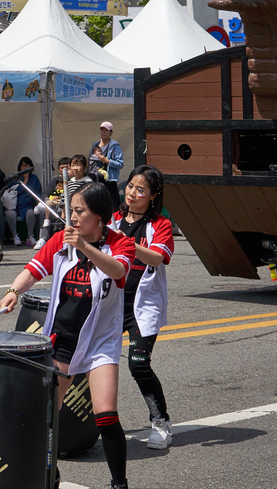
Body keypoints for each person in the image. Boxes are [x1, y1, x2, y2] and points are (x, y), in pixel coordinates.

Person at [0, 181, 136, 489]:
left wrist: (85, 247)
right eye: (70, 210)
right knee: (46, 413)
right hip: (62, 338)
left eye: (79, 211)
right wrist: (12, 292)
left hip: (100, 342)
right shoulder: (61, 240)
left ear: (100, 216)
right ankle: (46, 476)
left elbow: (117, 271)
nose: (72, 217)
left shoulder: (119, 243)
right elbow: (33, 270)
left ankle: (119, 483)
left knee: (106, 414)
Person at [109, 165, 175, 450]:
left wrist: (126, 243)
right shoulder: (112, 219)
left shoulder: (160, 225)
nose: (132, 193)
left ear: (152, 195)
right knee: (91, 363)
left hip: (142, 307)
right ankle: (89, 422)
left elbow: (158, 258)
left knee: (138, 364)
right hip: (109, 304)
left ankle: (160, 421)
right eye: (131, 186)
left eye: (141, 190)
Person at [6, 156, 41, 246]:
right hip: (14, 206)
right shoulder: (15, 179)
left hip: (27, 206)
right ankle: (15, 236)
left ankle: (30, 236)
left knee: (30, 213)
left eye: (27, 165)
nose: (25, 168)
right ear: (19, 167)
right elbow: (13, 192)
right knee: (10, 214)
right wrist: (25, 181)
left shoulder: (34, 178)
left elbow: (38, 192)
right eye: (23, 166)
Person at [91, 121, 124, 211]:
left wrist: (106, 161)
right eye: (102, 130)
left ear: (111, 132)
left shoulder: (115, 146)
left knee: (113, 205)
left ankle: (115, 223)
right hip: (96, 178)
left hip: (109, 179)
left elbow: (120, 164)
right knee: (97, 204)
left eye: (106, 130)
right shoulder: (95, 144)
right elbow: (90, 159)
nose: (104, 132)